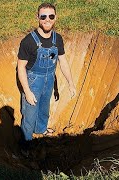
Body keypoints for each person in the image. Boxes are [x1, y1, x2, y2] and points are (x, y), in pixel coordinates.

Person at [17, 2, 76, 143]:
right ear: (37, 17)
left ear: (56, 17)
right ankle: (26, 142)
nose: (47, 20)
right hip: (33, 81)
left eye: (51, 16)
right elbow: (20, 67)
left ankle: (41, 129)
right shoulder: (28, 41)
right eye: (43, 16)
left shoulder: (58, 39)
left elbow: (63, 62)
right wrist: (27, 91)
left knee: (44, 108)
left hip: (49, 79)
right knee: (30, 113)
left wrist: (71, 83)